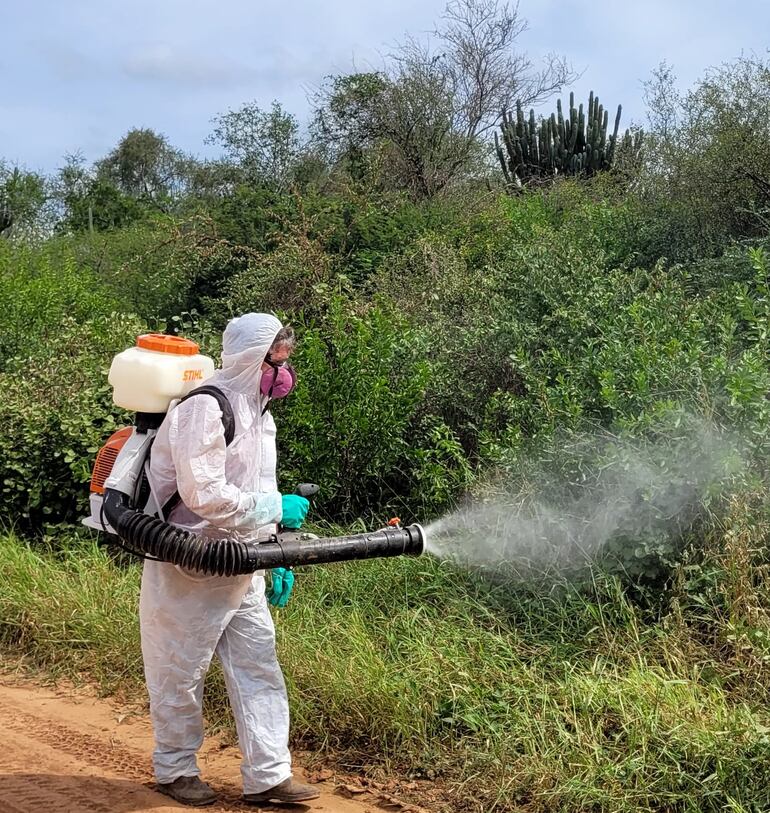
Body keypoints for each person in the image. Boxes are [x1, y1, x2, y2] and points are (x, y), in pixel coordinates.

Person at [141, 312, 320, 807]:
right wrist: (272, 508)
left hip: (242, 564)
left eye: (285, 363)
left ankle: (268, 776)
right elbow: (205, 495)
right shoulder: (207, 406)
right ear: (250, 358)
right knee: (180, 668)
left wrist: (276, 548)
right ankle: (174, 770)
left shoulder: (261, 413)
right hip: (189, 565)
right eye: (275, 362)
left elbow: (258, 486)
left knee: (258, 665)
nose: (282, 374)